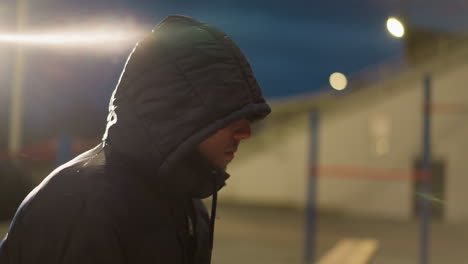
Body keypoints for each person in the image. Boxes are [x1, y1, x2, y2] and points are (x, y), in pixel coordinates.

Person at [0, 15, 271, 264]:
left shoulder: (186, 199)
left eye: (247, 120)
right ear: (176, 115)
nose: (245, 134)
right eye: (226, 118)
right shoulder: (83, 206)